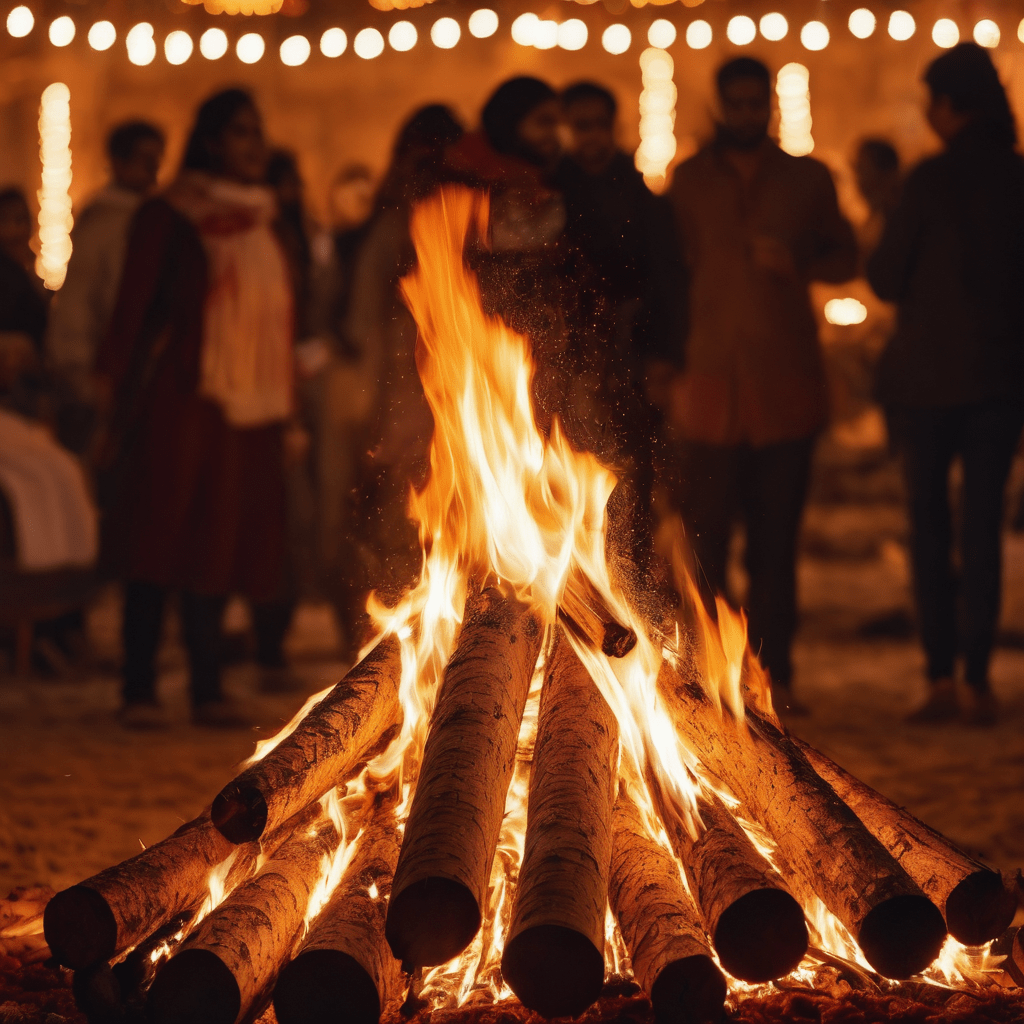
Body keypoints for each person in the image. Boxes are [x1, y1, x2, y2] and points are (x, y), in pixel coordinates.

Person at [96, 89, 293, 728]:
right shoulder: (170, 215)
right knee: (158, 537)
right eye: (240, 132)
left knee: (219, 541)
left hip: (249, 408)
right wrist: (110, 392)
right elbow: (132, 309)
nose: (253, 144)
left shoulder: (265, 215)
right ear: (211, 142)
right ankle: (139, 688)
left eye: (257, 131)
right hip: (182, 400)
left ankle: (207, 688)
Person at [666, 57, 857, 713]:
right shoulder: (688, 182)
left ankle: (776, 676)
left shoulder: (807, 179)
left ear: (770, 106)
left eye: (757, 104)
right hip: (710, 389)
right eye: (737, 104)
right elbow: (667, 270)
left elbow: (847, 255)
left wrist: (799, 261)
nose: (747, 114)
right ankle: (714, 678)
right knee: (708, 545)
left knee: (776, 549)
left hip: (784, 390)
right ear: (721, 106)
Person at [867, 44, 1024, 726]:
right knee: (982, 526)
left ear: (949, 106)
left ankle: (938, 680)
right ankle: (980, 679)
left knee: (929, 528)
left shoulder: (929, 182)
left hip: (928, 384)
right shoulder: (1018, 178)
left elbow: (884, 277)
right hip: (1000, 381)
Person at [554, 81, 684, 561]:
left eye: (599, 125)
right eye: (580, 125)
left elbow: (667, 280)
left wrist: (662, 358)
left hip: (629, 363)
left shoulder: (641, 200)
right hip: (563, 367)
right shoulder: (549, 194)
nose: (591, 136)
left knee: (631, 486)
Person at [345, 105, 464, 628]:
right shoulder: (392, 229)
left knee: (451, 511)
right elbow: (362, 318)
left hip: (460, 391)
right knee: (401, 512)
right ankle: (395, 629)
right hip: (401, 392)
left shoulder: (465, 220)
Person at [45, 121, 164, 453]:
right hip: (106, 376)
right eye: (145, 158)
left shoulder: (155, 219)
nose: (153, 168)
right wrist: (80, 372)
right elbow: (78, 303)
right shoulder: (102, 223)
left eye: (158, 158)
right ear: (119, 161)